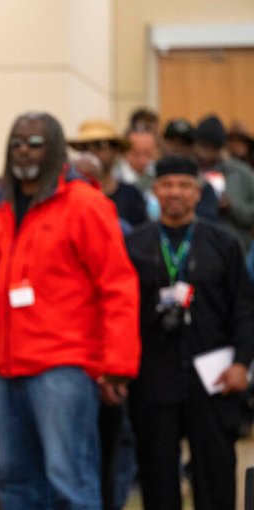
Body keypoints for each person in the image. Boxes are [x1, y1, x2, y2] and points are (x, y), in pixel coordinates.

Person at [0, 112, 140, 510]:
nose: (23, 150)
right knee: (15, 484)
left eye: (35, 142)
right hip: (4, 370)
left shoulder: (85, 203)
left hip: (63, 368)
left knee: (70, 483)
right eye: (17, 142)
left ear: (56, 148)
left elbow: (117, 284)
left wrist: (117, 364)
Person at [126, 156, 254, 510]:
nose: (175, 193)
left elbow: (244, 309)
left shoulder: (223, 244)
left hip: (213, 377)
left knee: (215, 474)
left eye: (184, 186)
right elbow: (121, 311)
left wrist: (243, 363)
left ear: (199, 193)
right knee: (157, 476)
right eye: (167, 185)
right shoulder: (134, 245)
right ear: (155, 191)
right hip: (153, 375)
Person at [68, 118, 147, 228]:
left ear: (116, 150)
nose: (91, 151)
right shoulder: (69, 195)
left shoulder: (131, 195)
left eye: (99, 145)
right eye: (84, 146)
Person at [193, 114, 254, 252]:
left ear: (221, 149)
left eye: (213, 148)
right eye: (203, 146)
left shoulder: (241, 173)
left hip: (236, 251)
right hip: (195, 250)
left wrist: (233, 208)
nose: (206, 153)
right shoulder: (187, 172)